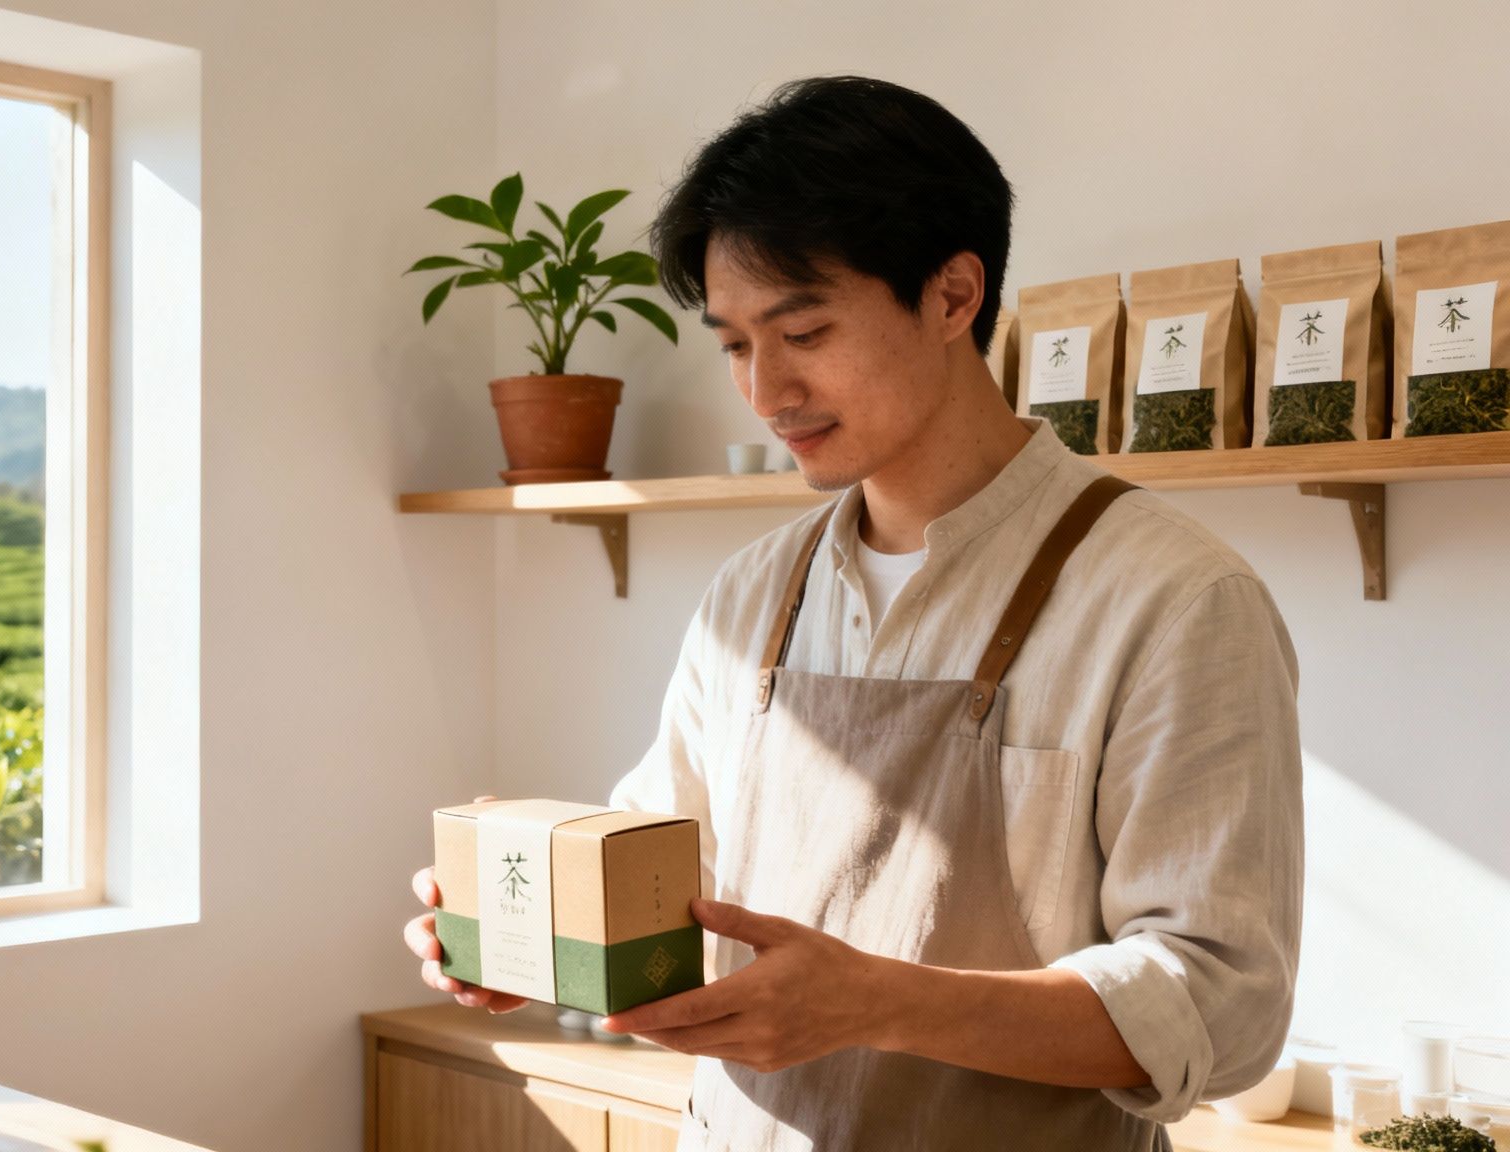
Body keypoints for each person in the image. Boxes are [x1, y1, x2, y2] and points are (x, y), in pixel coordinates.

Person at [403, 75, 1303, 1151]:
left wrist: (878, 1000)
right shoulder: (750, 596)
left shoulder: (1173, 599)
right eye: (735, 344)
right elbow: (669, 873)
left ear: (952, 297)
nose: (766, 390)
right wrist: (529, 928)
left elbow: (1221, 1005)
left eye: (805, 330)